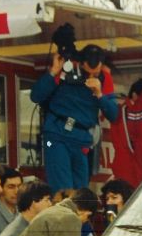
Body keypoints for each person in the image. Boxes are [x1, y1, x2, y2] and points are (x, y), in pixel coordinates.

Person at [30, 42, 119, 192]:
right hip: (55, 137)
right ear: (82, 63)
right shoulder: (66, 69)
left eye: (96, 72)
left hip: (81, 140)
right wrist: (53, 72)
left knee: (81, 192)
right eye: (88, 71)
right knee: (62, 190)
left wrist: (99, 94)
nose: (92, 75)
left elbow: (113, 115)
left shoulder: (104, 78)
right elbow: (36, 96)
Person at [110, 78, 142, 189]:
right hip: (127, 164)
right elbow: (128, 140)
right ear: (134, 95)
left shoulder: (136, 111)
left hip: (134, 165)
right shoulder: (125, 110)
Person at [0, 166, 22, 233]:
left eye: (19, 186)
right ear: (1, 188)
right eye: (11, 187)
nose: (17, 191)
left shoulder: (23, 210)